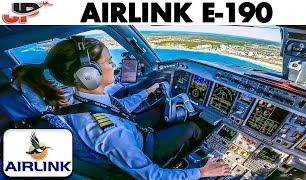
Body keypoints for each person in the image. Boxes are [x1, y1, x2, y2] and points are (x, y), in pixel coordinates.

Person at [12, 37, 231, 179]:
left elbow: (115, 108)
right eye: (109, 62)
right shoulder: (109, 133)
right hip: (137, 150)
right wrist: (201, 172)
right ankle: (181, 160)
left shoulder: (82, 99)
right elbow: (151, 175)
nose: (115, 65)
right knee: (190, 127)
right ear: (89, 75)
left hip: (132, 133)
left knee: (159, 110)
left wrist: (145, 92)